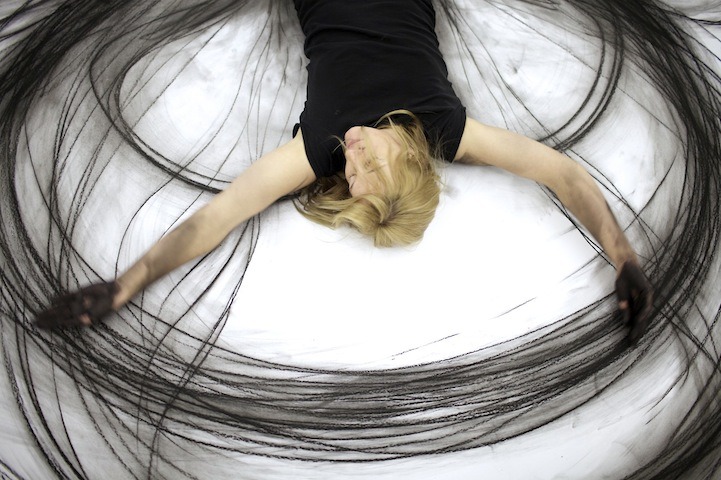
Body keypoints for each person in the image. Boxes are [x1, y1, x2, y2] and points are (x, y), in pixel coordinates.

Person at [35, 0, 653, 341]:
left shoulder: (318, 151)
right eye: (369, 160)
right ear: (409, 157)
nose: (351, 149)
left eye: (350, 173)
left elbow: (217, 218)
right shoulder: (444, 128)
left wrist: (126, 285)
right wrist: (623, 255)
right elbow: (563, 175)